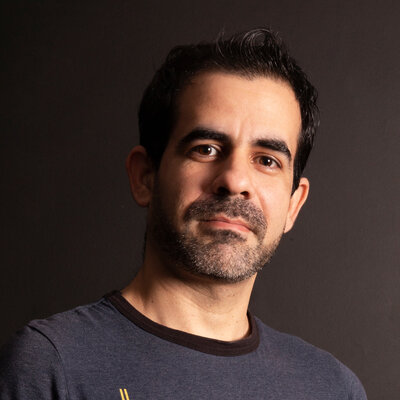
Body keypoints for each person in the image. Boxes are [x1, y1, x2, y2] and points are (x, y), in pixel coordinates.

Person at [0, 28, 367, 399]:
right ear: (144, 176)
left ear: (293, 204)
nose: (235, 180)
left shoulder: (333, 388)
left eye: (267, 160)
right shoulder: (51, 367)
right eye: (206, 149)